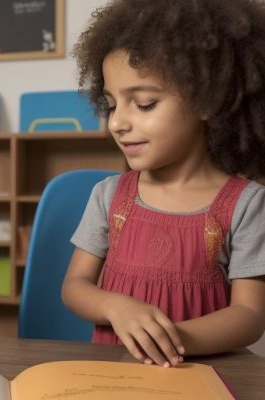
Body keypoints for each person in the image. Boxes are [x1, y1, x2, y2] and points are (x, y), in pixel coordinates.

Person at [63, 0, 265, 368]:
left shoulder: (246, 204)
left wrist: (169, 340)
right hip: (116, 373)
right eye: (112, 104)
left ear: (207, 100)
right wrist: (115, 306)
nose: (116, 123)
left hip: (199, 375)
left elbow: (249, 315)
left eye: (143, 104)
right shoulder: (109, 196)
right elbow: (75, 287)